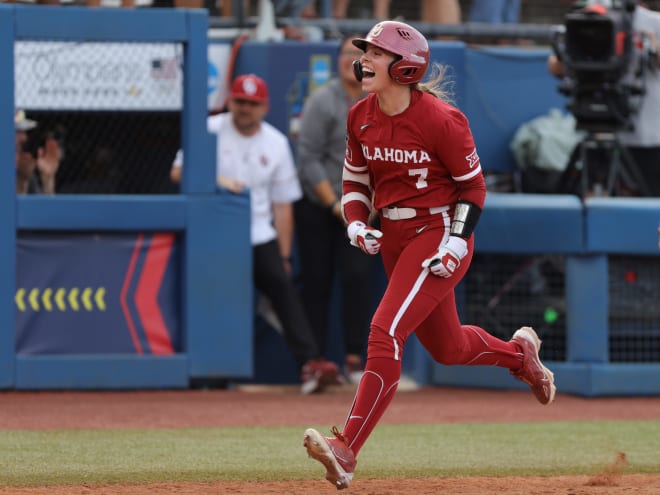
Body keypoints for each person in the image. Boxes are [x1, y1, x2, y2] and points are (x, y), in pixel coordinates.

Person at [302, 20, 556, 490]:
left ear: (405, 67)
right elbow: (356, 182)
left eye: (377, 53)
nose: (365, 60)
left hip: (438, 232)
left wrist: (456, 241)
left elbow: (473, 188)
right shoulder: (360, 114)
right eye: (367, 52)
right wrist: (356, 222)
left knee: (386, 331)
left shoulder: (441, 119)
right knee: (448, 347)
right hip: (395, 236)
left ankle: (347, 448)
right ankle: (521, 356)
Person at [170, 74, 340, 394]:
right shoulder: (209, 129)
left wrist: (285, 255)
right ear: (230, 101)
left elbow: (283, 206)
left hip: (259, 233)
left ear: (265, 107)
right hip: (214, 237)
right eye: (240, 101)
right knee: (214, 299)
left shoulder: (275, 143)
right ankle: (208, 374)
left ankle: (310, 363)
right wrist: (216, 179)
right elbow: (177, 172)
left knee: (283, 288)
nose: (245, 108)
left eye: (253, 103)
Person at [295, 34, 373, 384]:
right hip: (321, 205)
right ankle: (315, 364)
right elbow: (307, 157)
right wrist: (333, 202)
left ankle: (355, 360)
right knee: (316, 281)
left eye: (355, 55)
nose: (349, 61)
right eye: (343, 54)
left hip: (363, 208)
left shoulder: (379, 100)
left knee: (357, 279)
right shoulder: (323, 100)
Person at [547, 1, 660, 197]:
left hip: (644, 137)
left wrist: (653, 49)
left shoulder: (653, 22)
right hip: (597, 128)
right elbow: (556, 66)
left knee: (648, 204)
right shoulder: (589, 15)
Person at [14, 109, 62, 195]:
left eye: (24, 132)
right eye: (16, 131)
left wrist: (48, 180)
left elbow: (46, 208)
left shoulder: (25, 174)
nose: (24, 138)